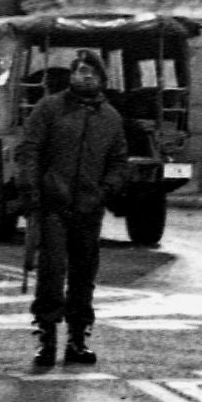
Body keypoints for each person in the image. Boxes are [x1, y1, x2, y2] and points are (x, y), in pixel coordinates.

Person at [13, 50, 128, 369]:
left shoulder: (111, 118)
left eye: (92, 72)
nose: (85, 76)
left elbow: (119, 162)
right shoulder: (49, 108)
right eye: (80, 71)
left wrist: (104, 192)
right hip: (53, 205)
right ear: (71, 76)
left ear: (102, 79)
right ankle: (46, 339)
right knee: (51, 272)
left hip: (89, 209)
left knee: (83, 275)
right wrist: (30, 190)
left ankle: (78, 340)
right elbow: (29, 150)